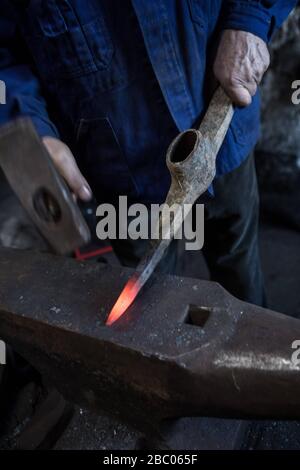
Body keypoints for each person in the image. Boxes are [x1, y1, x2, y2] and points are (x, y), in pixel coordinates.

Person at [0, 0, 297, 306]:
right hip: (119, 164)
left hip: (221, 127)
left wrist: (252, 19)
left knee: (239, 269)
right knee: (154, 310)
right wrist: (29, 125)